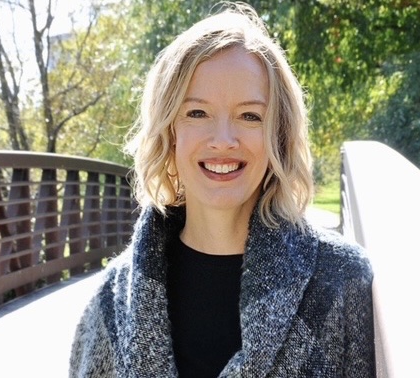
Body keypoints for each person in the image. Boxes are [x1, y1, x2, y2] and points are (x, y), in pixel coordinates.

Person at [69, 2, 375, 377]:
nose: (223, 140)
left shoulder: (342, 280)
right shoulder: (109, 304)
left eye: (250, 116)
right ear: (170, 132)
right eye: (197, 113)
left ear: (277, 135)